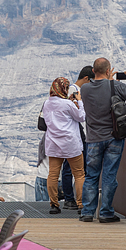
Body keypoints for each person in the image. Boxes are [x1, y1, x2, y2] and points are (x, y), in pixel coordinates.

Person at [79, 57, 126, 223]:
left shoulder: (84, 89)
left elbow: (97, 88)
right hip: (114, 138)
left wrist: (106, 78)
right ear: (108, 71)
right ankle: (106, 213)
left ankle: (87, 212)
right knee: (109, 176)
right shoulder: (116, 86)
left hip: (93, 139)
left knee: (91, 176)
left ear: (93, 71)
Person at [45, 76, 86, 214]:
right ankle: (81, 205)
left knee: (53, 175)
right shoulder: (67, 104)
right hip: (70, 143)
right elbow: (81, 117)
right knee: (79, 174)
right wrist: (79, 102)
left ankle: (54, 205)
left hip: (53, 144)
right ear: (64, 88)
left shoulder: (46, 103)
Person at [61, 66, 92, 209]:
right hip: (74, 133)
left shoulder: (72, 89)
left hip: (72, 133)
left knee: (71, 167)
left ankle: (71, 198)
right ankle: (71, 199)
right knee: (73, 168)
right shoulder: (74, 91)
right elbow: (78, 114)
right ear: (86, 78)